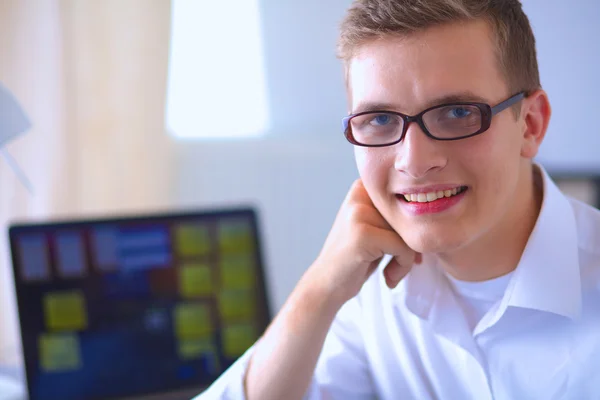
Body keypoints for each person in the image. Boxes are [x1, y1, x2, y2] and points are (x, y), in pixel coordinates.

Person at [196, 0, 600, 398]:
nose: (415, 162)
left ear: (530, 124)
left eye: (457, 113)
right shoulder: (374, 289)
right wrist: (320, 288)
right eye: (381, 120)